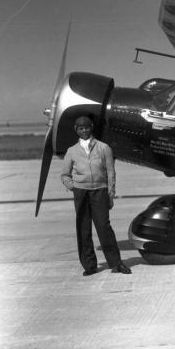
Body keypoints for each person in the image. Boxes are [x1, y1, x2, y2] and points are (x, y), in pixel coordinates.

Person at [60, 116, 131, 276]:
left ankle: (116, 263)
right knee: (83, 229)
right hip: (81, 192)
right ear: (76, 130)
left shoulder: (103, 148)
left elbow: (111, 172)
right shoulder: (71, 151)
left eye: (86, 127)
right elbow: (65, 174)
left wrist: (110, 192)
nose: (84, 130)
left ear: (91, 128)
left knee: (104, 227)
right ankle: (89, 266)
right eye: (80, 128)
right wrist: (73, 186)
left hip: (100, 191)